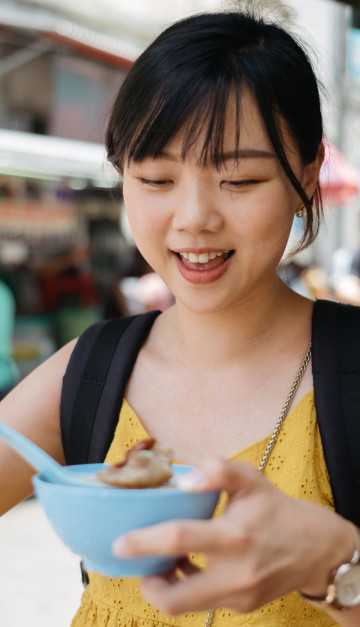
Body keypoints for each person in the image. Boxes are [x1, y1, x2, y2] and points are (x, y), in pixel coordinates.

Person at [1, 7, 359, 627]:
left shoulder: (351, 372)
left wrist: (334, 566)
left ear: (305, 177)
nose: (194, 217)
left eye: (239, 179)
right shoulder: (89, 371)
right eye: (156, 178)